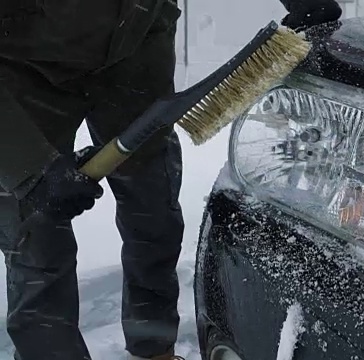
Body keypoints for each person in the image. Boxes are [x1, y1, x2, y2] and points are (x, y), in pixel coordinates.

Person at [0, 0, 341, 359]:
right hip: (19, 63)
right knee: (35, 234)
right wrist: (27, 165)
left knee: (153, 209)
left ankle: (154, 348)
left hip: (134, 36)